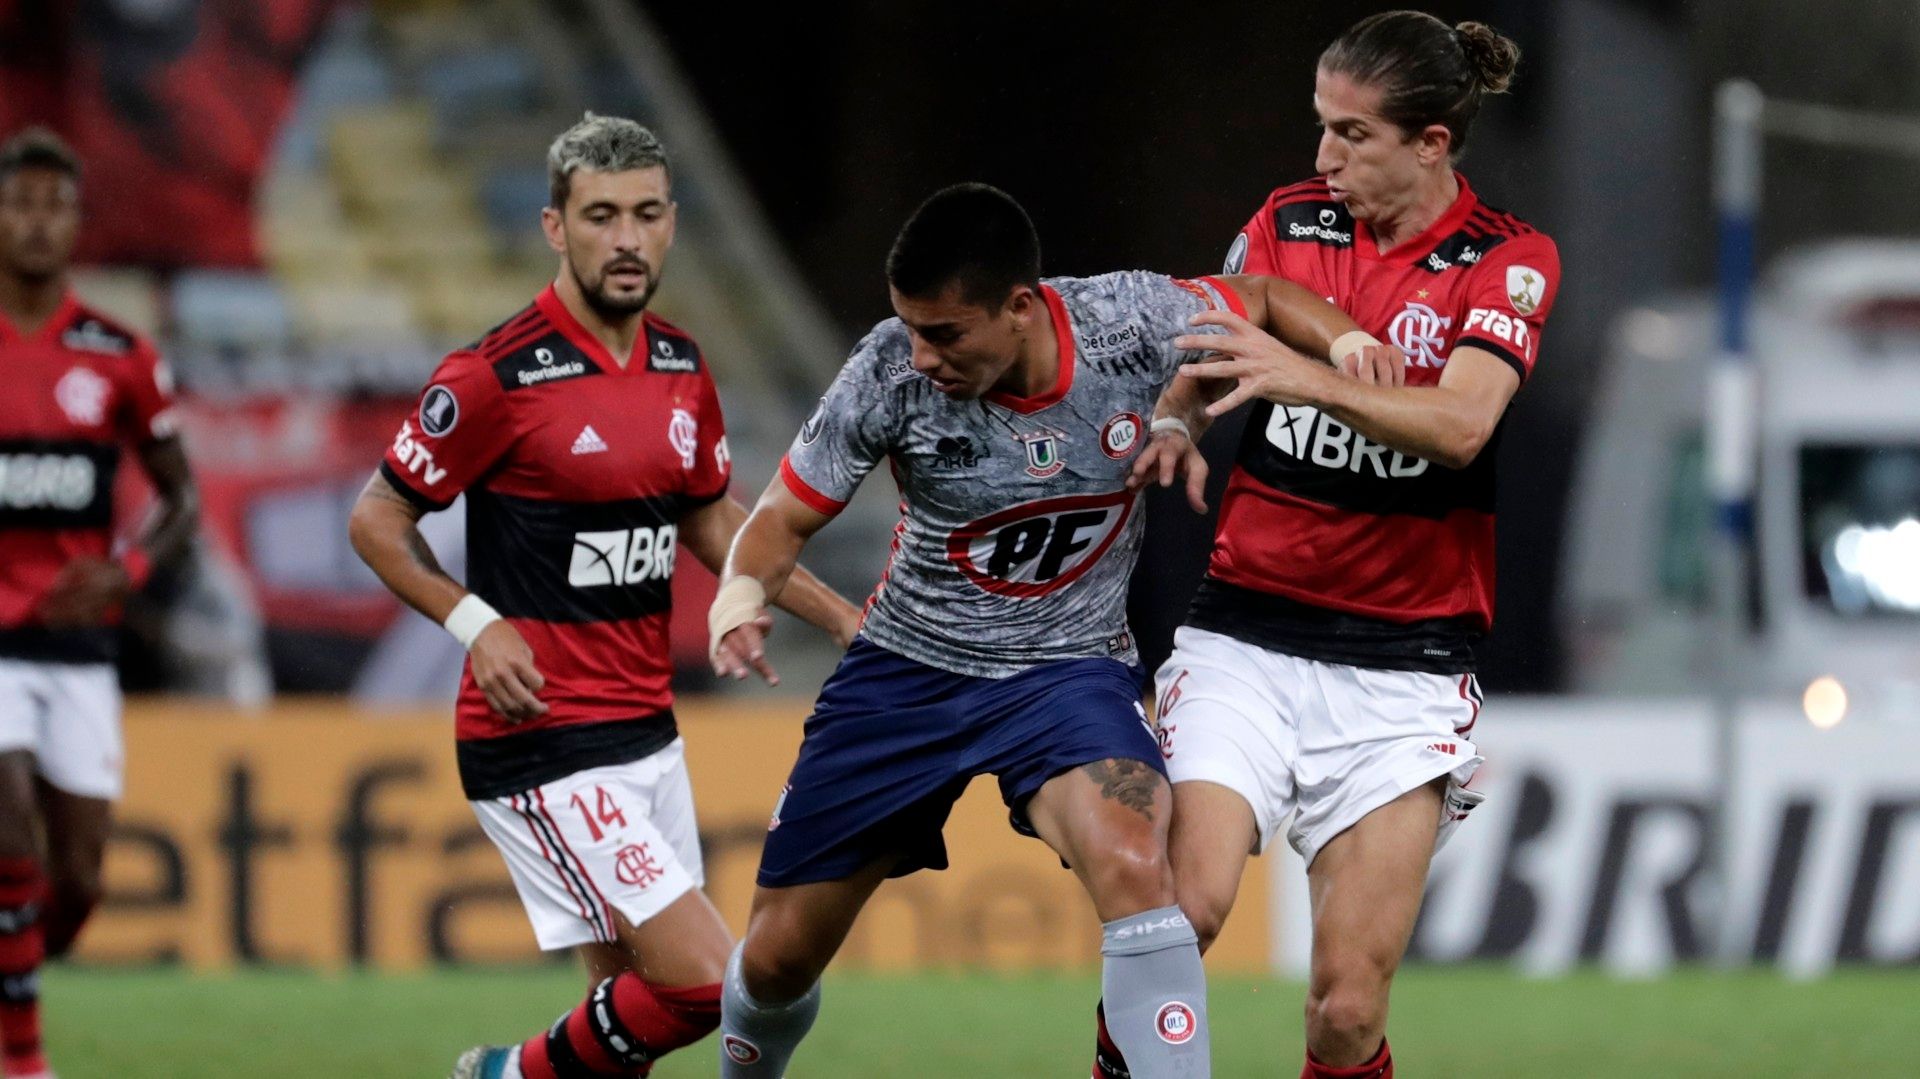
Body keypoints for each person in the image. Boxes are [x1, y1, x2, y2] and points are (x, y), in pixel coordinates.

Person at [706, 182, 1395, 1078]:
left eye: (945, 333)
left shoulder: (1129, 321)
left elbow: (1260, 296)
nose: (922, 355)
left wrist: (1342, 337)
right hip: (907, 673)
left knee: (1137, 865)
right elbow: (777, 523)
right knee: (775, 958)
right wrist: (739, 599)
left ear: (1021, 308)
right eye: (910, 327)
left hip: (1066, 672)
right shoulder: (885, 371)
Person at [346, 115, 860, 1079]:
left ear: (671, 224)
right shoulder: (493, 374)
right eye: (601, 215)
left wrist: (840, 621)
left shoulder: (679, 365)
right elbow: (377, 519)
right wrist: (476, 620)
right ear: (556, 227)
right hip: (542, 736)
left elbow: (714, 522)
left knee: (629, 1025)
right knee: (712, 982)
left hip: (646, 733)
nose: (626, 238)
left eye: (647, 214)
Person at [1096, 13, 1561, 1079]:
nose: (1323, 158)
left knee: (1346, 1008)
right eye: (1321, 128)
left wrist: (1307, 376)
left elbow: (1459, 427)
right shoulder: (1292, 221)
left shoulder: (1507, 259)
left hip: (1404, 670)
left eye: (1352, 135)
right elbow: (1225, 342)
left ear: (1431, 144)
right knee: (1182, 913)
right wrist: (1177, 417)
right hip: (1244, 639)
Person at [0, 128, 201, 1079]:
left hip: (79, 649)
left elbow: (182, 496)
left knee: (74, 885)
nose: (37, 220)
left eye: (55, 204)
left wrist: (129, 571)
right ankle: (24, 1060)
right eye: (20, 201)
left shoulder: (116, 354)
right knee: (8, 844)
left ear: (76, 223)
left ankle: (12, 988)